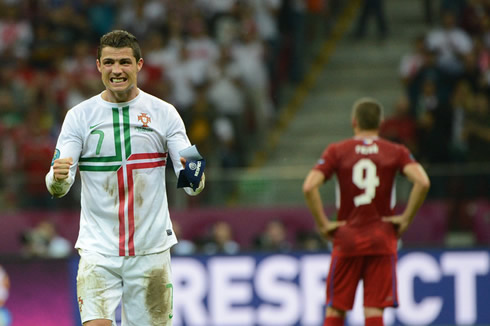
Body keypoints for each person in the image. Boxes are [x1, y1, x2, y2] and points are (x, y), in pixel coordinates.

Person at [45, 30, 205, 326]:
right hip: (98, 251)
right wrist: (57, 178)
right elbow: (58, 182)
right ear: (98, 66)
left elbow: (193, 176)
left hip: (151, 251)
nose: (116, 70)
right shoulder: (79, 116)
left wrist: (194, 174)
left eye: (124, 62)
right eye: (108, 62)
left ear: (139, 65)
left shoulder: (165, 113)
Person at [302, 98, 430, 326]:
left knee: (336, 310)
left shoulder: (337, 151)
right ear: (380, 123)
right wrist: (406, 218)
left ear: (354, 122)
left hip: (347, 238)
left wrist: (323, 223)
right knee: (374, 311)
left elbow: (310, 186)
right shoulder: (395, 151)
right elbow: (422, 182)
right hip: (382, 238)